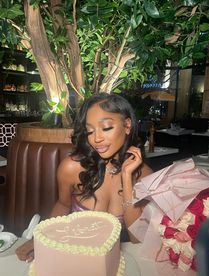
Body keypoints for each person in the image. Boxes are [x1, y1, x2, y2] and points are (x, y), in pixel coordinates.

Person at [16, 92, 153, 261]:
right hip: (74, 258)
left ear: (127, 125)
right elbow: (63, 204)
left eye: (106, 127)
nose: (96, 139)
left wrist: (127, 178)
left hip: (118, 263)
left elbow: (137, 241)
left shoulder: (144, 175)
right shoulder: (71, 167)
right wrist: (39, 239)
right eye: (90, 131)